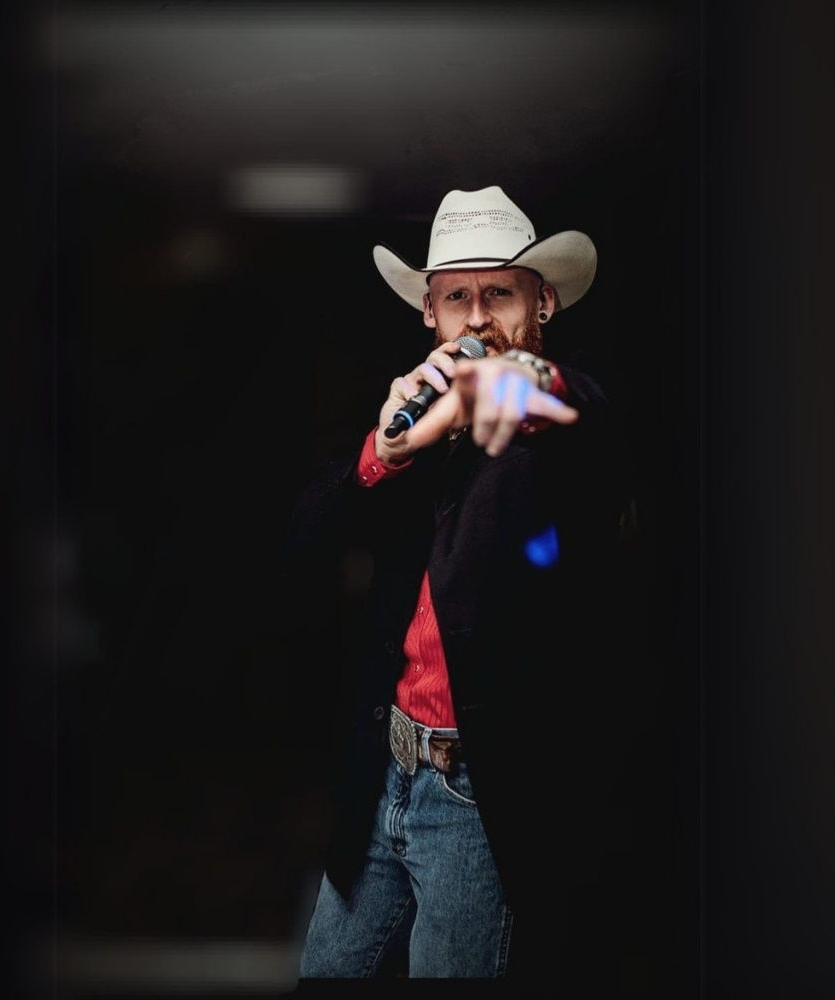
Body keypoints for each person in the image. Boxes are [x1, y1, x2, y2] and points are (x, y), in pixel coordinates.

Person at [288, 185, 636, 984]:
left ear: (541, 302)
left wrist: (527, 382)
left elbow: (585, 412)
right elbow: (304, 541)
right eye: (457, 299)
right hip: (385, 774)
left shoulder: (560, 417)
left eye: (500, 294)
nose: (478, 319)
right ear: (429, 314)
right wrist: (384, 452)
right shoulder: (417, 420)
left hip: (478, 794)